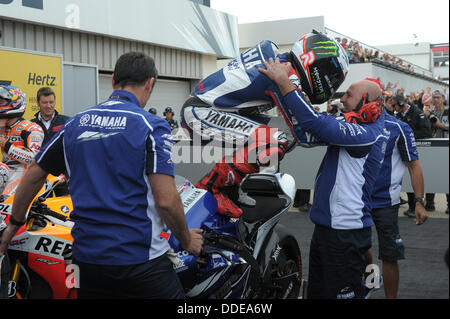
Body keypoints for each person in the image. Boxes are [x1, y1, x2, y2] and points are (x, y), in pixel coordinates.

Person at [0, 52, 203, 299]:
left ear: (112, 81)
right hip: (140, 261)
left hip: (86, 262)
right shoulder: (152, 125)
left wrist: (13, 224)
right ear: (150, 83)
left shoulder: (75, 124)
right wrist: (186, 239)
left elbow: (33, 173)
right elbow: (166, 200)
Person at [181, 30, 350, 218]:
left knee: (285, 135)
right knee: (275, 139)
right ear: (318, 65)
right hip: (200, 112)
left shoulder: (278, 59)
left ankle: (231, 187)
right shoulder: (283, 74)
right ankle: (211, 187)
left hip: (211, 109)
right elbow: (304, 134)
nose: (332, 84)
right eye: (333, 77)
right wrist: (346, 128)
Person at [260, 57, 387, 299]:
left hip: (344, 232)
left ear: (367, 104)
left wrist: (285, 81)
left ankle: (364, 288)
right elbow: (306, 132)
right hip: (331, 229)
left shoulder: (366, 133)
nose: (342, 100)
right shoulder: (361, 126)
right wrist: (282, 88)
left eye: (349, 95)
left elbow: (314, 123)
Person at [365, 113, 428, 299]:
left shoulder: (398, 127)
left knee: (390, 255)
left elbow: (414, 165)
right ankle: (371, 281)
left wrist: (419, 202)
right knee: (359, 248)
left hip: (386, 202)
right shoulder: (353, 122)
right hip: (358, 199)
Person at [0, 85, 44, 196]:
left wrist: (6, 145)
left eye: (0, 102)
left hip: (26, 173)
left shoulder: (31, 128)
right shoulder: (2, 128)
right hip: (5, 172)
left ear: (15, 103)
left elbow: (33, 158)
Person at [393, 94, 433, 216]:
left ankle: (427, 204)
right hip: (406, 150)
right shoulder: (398, 114)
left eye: (395, 105)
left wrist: (407, 134)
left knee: (419, 176)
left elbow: (427, 132)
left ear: (401, 104)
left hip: (420, 151)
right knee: (407, 178)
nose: (393, 108)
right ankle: (411, 206)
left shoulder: (417, 112)